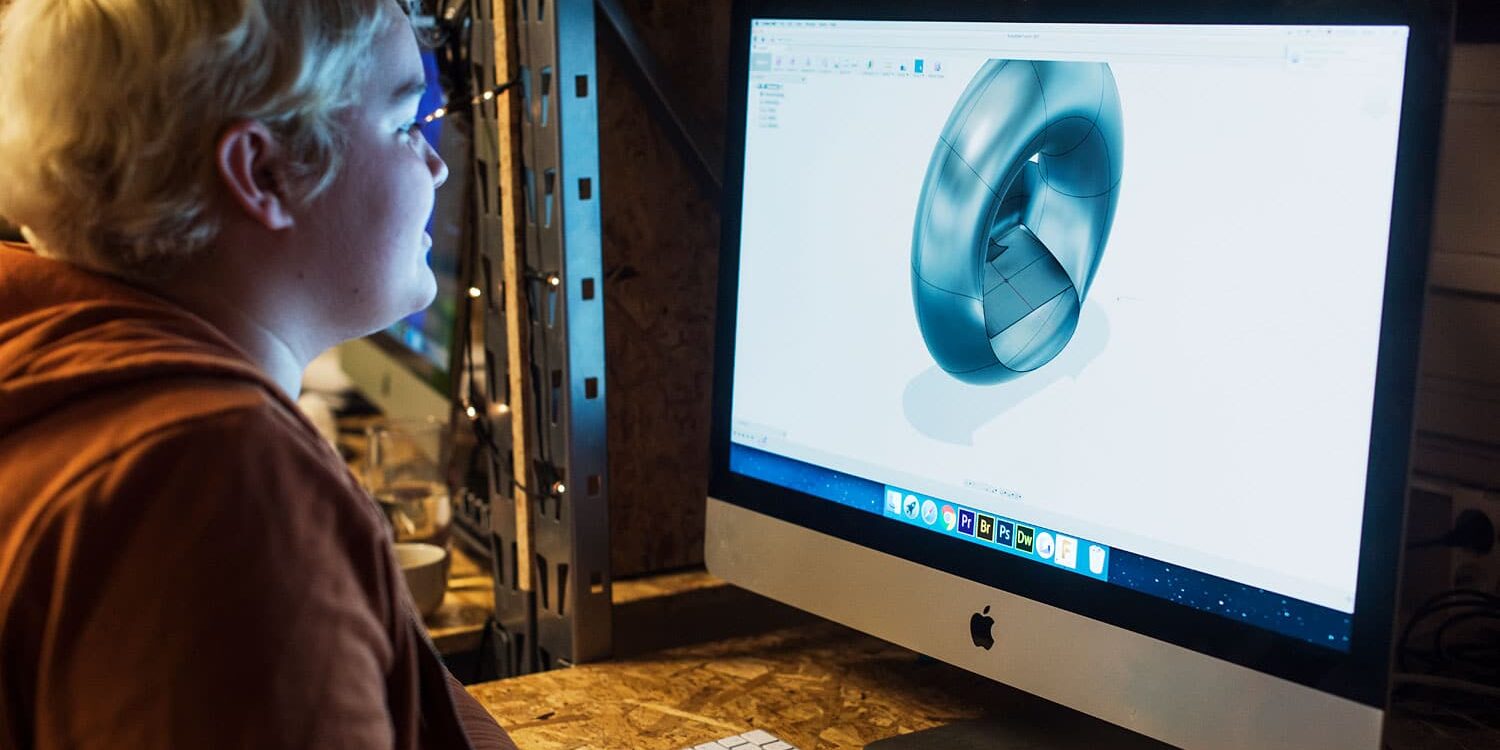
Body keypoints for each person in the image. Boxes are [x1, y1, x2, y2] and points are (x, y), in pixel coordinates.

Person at [0, 0, 517, 747]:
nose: (435, 164)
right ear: (262, 171)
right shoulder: (213, 482)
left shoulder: (55, 363)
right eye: (406, 125)